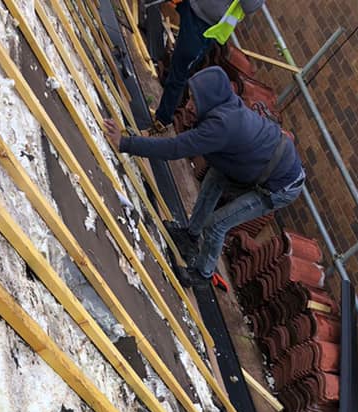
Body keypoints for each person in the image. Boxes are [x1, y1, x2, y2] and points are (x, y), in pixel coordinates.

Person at [104, 66, 305, 287]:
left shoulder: (221, 127)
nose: (189, 106)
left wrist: (124, 143)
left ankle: (203, 274)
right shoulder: (224, 107)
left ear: (210, 99)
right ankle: (190, 235)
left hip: (281, 185)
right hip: (263, 162)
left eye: (195, 102)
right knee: (214, 178)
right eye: (190, 98)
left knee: (217, 225)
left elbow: (174, 148)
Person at [152, 0, 264, 132]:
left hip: (206, 26)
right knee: (180, 68)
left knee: (181, 71)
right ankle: (164, 109)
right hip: (193, 8)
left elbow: (250, 6)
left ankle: (162, 119)